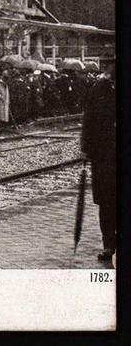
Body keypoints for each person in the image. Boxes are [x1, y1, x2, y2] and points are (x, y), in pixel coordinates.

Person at [80, 59, 116, 262]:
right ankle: (109, 245)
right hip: (104, 156)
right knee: (106, 201)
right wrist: (85, 148)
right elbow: (88, 120)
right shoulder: (98, 90)